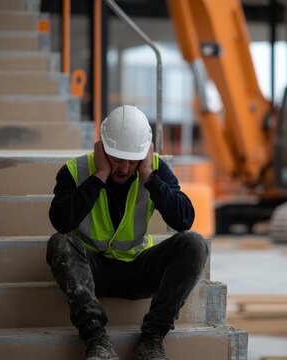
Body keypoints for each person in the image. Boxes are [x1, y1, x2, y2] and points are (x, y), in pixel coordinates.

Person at [46, 105, 209, 360]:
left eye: (132, 161)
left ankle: (152, 338)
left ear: (145, 153)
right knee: (60, 244)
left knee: (195, 244)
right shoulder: (76, 171)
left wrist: (149, 177)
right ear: (102, 149)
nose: (124, 168)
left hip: (137, 269)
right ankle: (96, 340)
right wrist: (100, 175)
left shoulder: (154, 170)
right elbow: (60, 222)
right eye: (117, 159)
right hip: (92, 270)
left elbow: (184, 219)